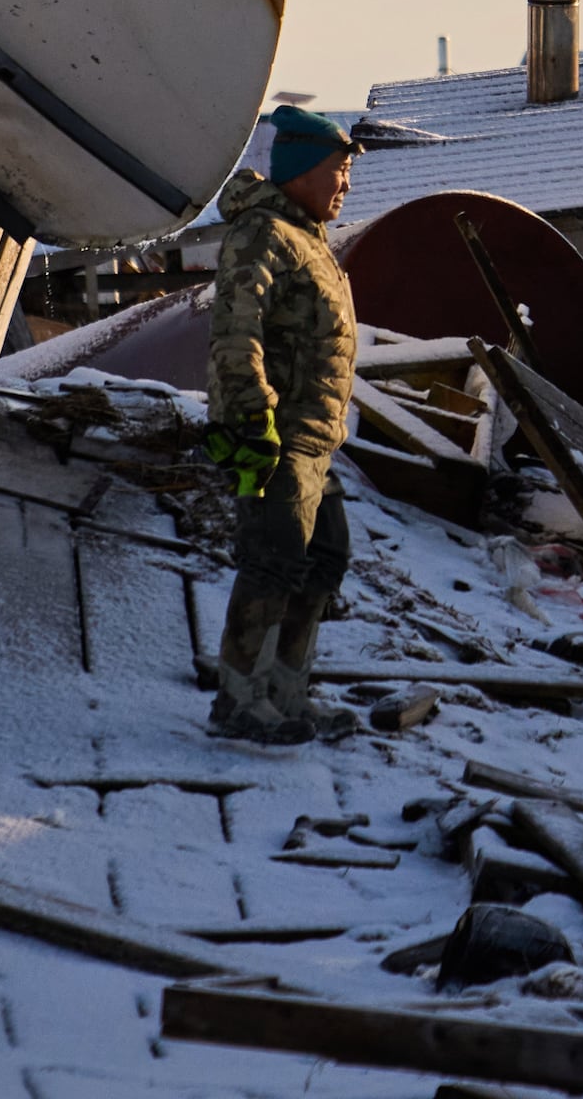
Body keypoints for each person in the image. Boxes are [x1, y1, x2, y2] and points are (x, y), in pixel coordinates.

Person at [203, 104, 362, 744]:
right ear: (300, 172)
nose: (346, 183)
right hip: (274, 436)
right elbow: (235, 333)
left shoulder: (310, 242)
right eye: (339, 169)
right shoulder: (261, 234)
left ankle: (286, 693)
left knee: (324, 558)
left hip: (315, 441)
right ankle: (240, 701)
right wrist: (250, 420)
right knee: (273, 561)